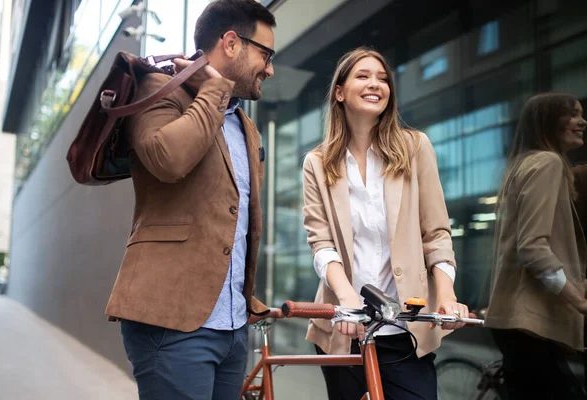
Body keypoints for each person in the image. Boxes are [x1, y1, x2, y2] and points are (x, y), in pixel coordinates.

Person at [104, 1, 276, 399]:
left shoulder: (245, 126)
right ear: (231, 43)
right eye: (265, 54)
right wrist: (215, 89)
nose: (269, 68)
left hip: (232, 326)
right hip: (173, 323)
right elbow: (166, 159)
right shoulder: (158, 89)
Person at [302, 47, 468, 400]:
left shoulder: (415, 148)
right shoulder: (317, 163)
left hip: (404, 328)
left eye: (382, 78)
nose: (375, 84)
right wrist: (346, 298)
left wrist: (447, 295)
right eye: (363, 76)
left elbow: (436, 233)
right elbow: (321, 243)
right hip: (344, 328)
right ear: (340, 91)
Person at [485, 93, 587, 400]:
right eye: (572, 114)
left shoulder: (523, 164)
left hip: (516, 324)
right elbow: (532, 247)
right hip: (530, 323)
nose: (582, 121)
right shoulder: (547, 163)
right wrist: (577, 298)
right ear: (547, 121)